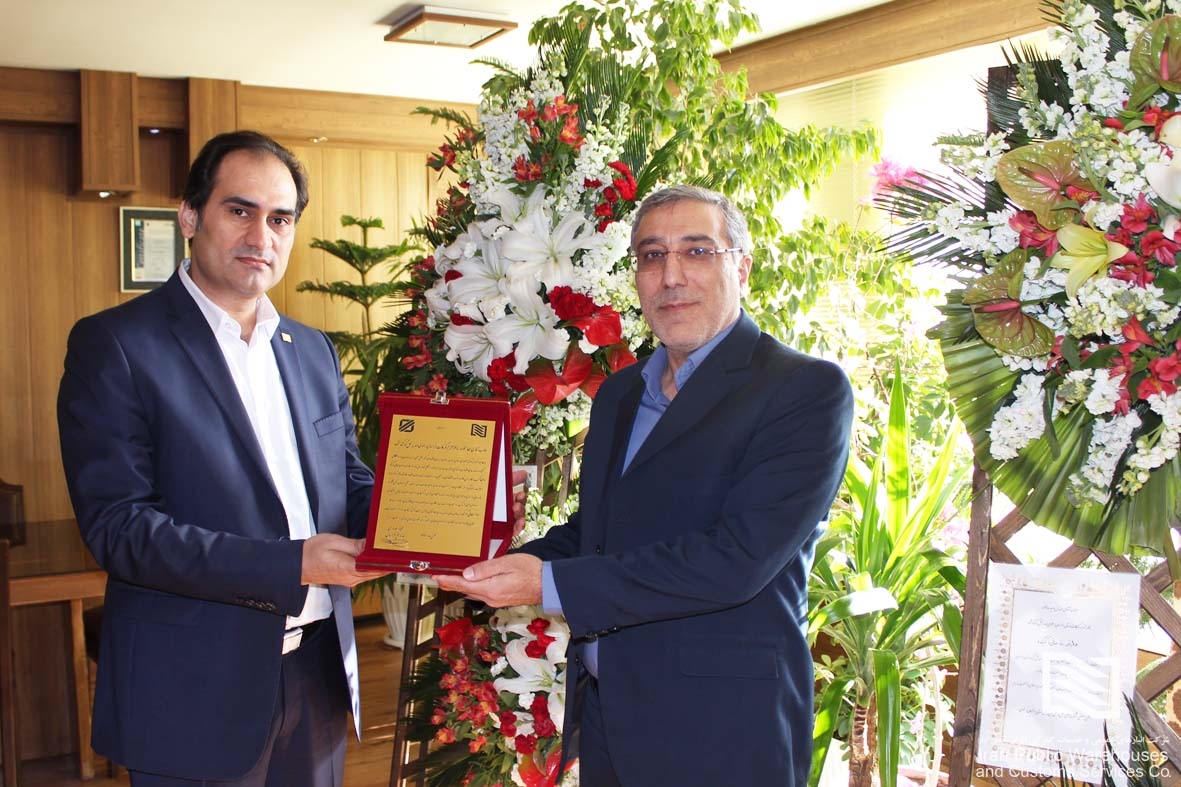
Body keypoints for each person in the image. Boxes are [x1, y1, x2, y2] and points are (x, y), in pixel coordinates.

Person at [436, 185, 855, 786]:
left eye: (697, 251)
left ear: (742, 267)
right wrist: (494, 556)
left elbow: (736, 560)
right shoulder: (621, 393)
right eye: (652, 255)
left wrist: (548, 583)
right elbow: (599, 531)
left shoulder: (802, 390)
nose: (671, 275)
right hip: (610, 718)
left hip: (722, 732)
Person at [57, 130, 387, 787]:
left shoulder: (312, 350)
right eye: (240, 210)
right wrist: (293, 563)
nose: (261, 236)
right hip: (191, 691)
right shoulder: (116, 345)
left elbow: (346, 484)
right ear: (189, 216)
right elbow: (121, 530)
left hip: (317, 676)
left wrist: (447, 514)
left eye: (280, 219)